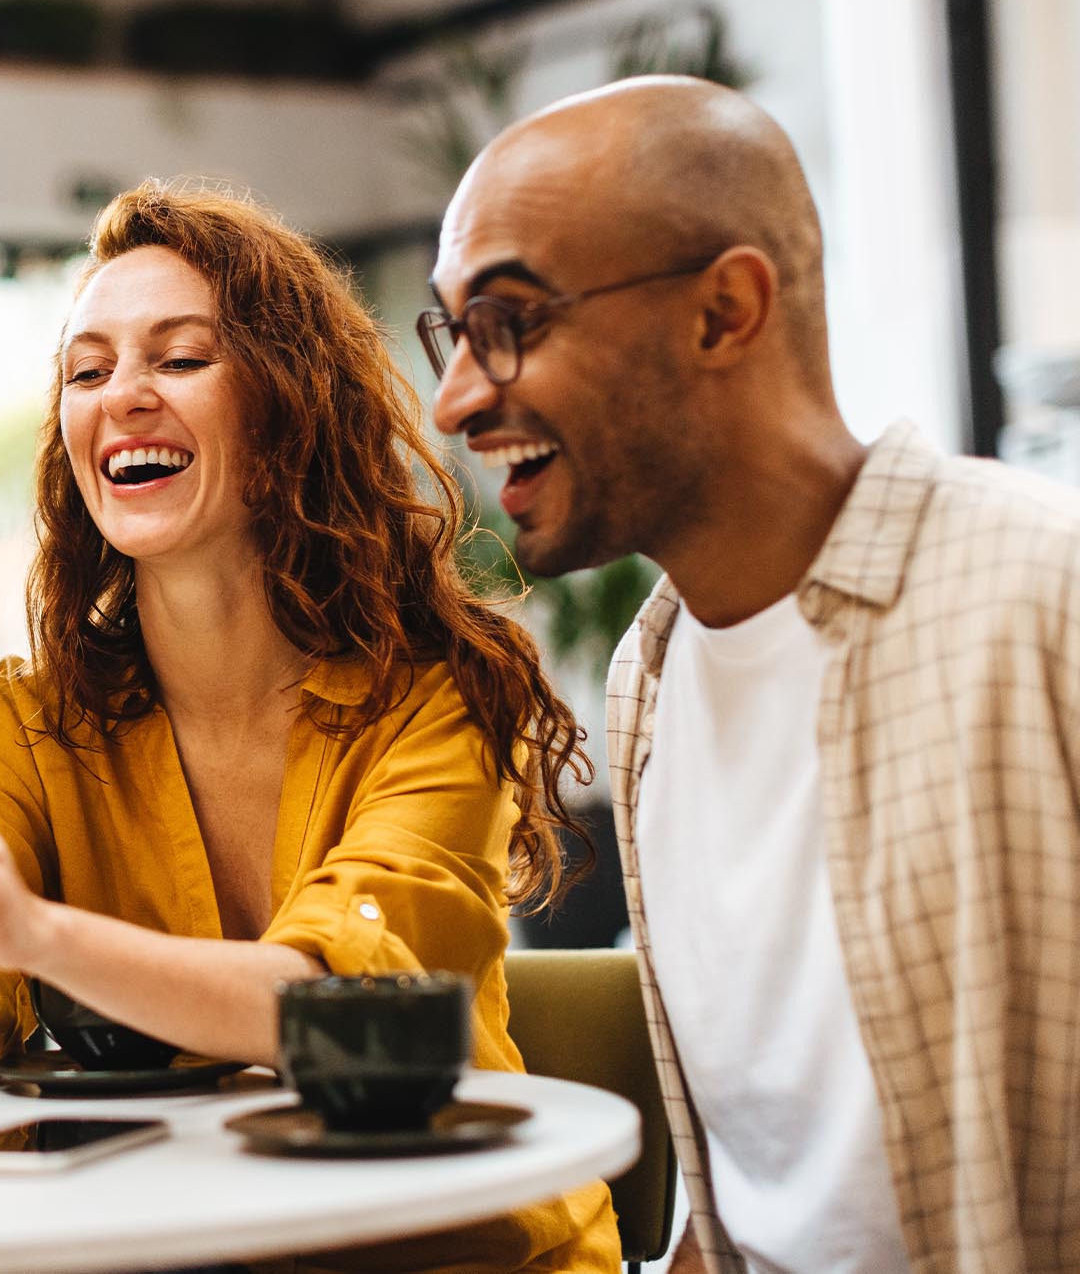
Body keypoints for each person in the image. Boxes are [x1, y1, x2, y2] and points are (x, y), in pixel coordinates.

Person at [0, 182, 621, 1271]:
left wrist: (33, 932)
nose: (124, 398)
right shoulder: (31, 723)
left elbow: (335, 999)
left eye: (181, 358)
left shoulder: (435, 695)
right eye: (87, 369)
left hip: (459, 1250)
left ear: (289, 402)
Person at [423, 77, 1080, 1273]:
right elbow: (749, 1213)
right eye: (451, 335)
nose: (456, 397)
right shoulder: (648, 676)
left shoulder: (1039, 595)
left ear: (723, 311)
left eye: (507, 321)